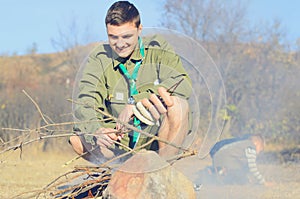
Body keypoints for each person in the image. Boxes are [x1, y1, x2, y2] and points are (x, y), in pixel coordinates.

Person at [69, 1, 192, 164]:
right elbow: (85, 102)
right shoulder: (99, 58)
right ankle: (116, 174)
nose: (120, 44)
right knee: (77, 140)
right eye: (113, 37)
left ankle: (161, 172)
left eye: (126, 36)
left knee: (177, 104)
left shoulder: (158, 48)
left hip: (157, 141)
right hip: (120, 145)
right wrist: (96, 131)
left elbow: (182, 83)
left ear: (139, 29)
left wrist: (138, 101)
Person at [196, 134, 271, 186]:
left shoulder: (243, 144)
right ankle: (214, 173)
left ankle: (213, 171)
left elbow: (246, 166)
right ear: (256, 143)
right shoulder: (251, 147)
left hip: (219, 158)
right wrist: (263, 182)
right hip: (224, 160)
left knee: (241, 173)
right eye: (261, 149)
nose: (259, 152)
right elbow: (252, 167)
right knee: (238, 177)